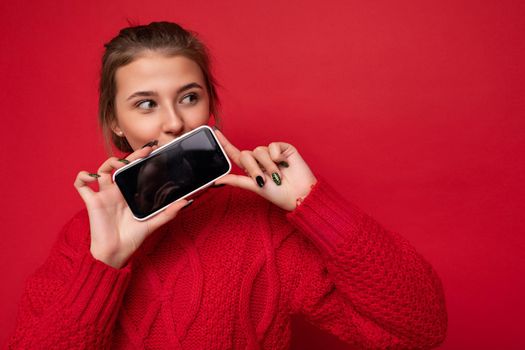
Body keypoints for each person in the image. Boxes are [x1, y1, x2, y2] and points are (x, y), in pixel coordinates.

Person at [5, 21, 447, 349]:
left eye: (189, 97)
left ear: (210, 108)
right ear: (117, 124)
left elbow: (420, 329)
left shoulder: (260, 227)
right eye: (146, 104)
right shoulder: (84, 240)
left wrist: (315, 206)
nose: (175, 121)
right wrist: (104, 263)